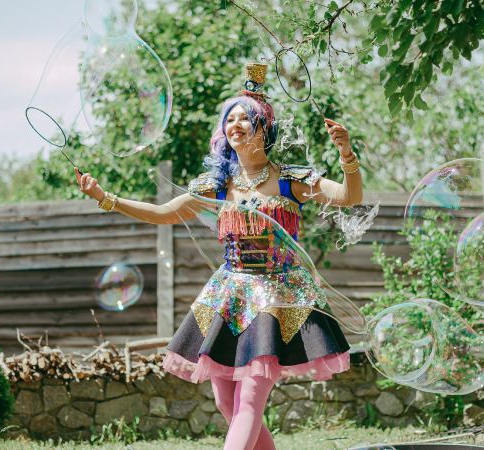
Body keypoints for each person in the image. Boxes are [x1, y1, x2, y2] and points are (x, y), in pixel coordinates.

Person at [75, 63, 363, 450]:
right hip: (228, 295)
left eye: (245, 118)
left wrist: (346, 154)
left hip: (276, 297)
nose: (236, 124)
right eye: (230, 119)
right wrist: (106, 198)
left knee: (249, 402)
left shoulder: (290, 181)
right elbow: (162, 213)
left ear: (264, 127)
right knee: (226, 403)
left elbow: (349, 196)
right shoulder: (218, 186)